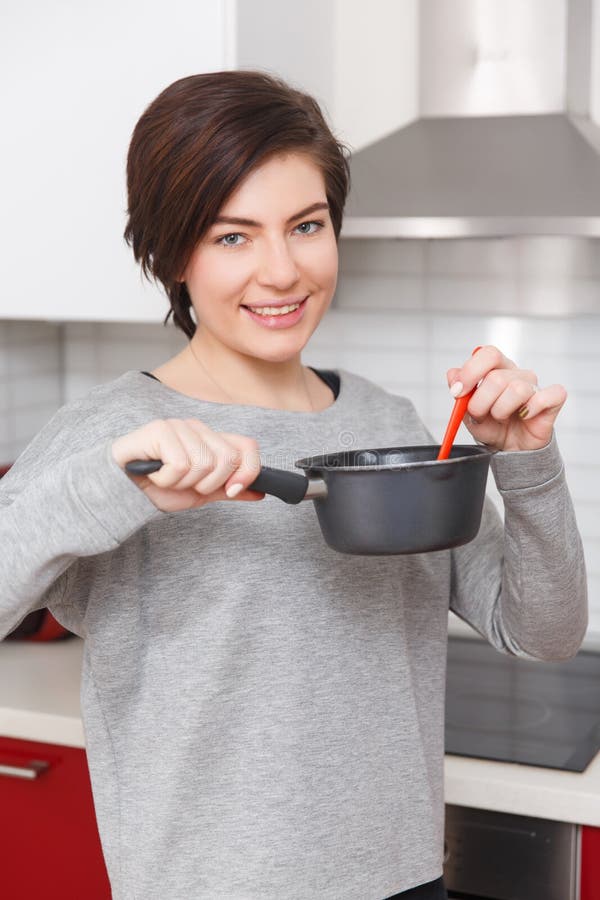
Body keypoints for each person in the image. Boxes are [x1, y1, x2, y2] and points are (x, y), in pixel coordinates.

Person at [0, 70, 587, 900]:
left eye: (305, 226)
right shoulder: (114, 436)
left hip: (405, 878)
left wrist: (526, 463)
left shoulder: (390, 428)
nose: (281, 271)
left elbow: (543, 632)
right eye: (232, 236)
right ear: (170, 252)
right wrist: (112, 485)